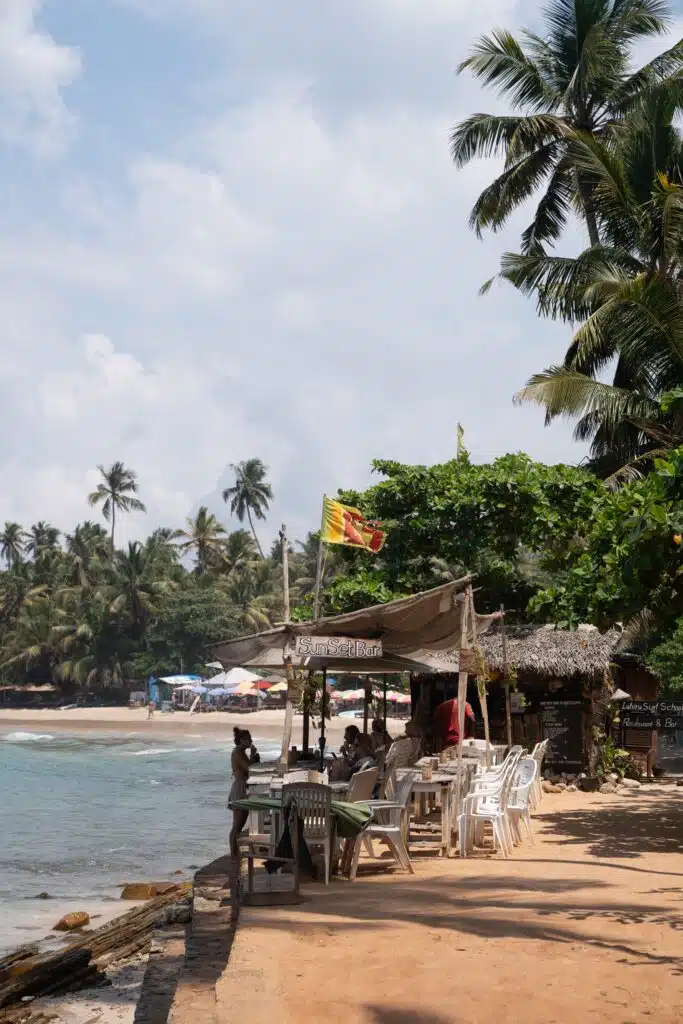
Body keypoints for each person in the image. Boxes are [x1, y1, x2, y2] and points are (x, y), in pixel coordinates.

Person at [228, 727, 260, 857]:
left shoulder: (241, 752)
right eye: (249, 739)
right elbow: (248, 767)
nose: (251, 741)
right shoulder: (237, 752)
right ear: (241, 740)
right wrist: (253, 755)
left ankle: (234, 854)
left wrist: (254, 758)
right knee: (237, 825)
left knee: (240, 824)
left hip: (243, 788)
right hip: (239, 789)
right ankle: (233, 855)